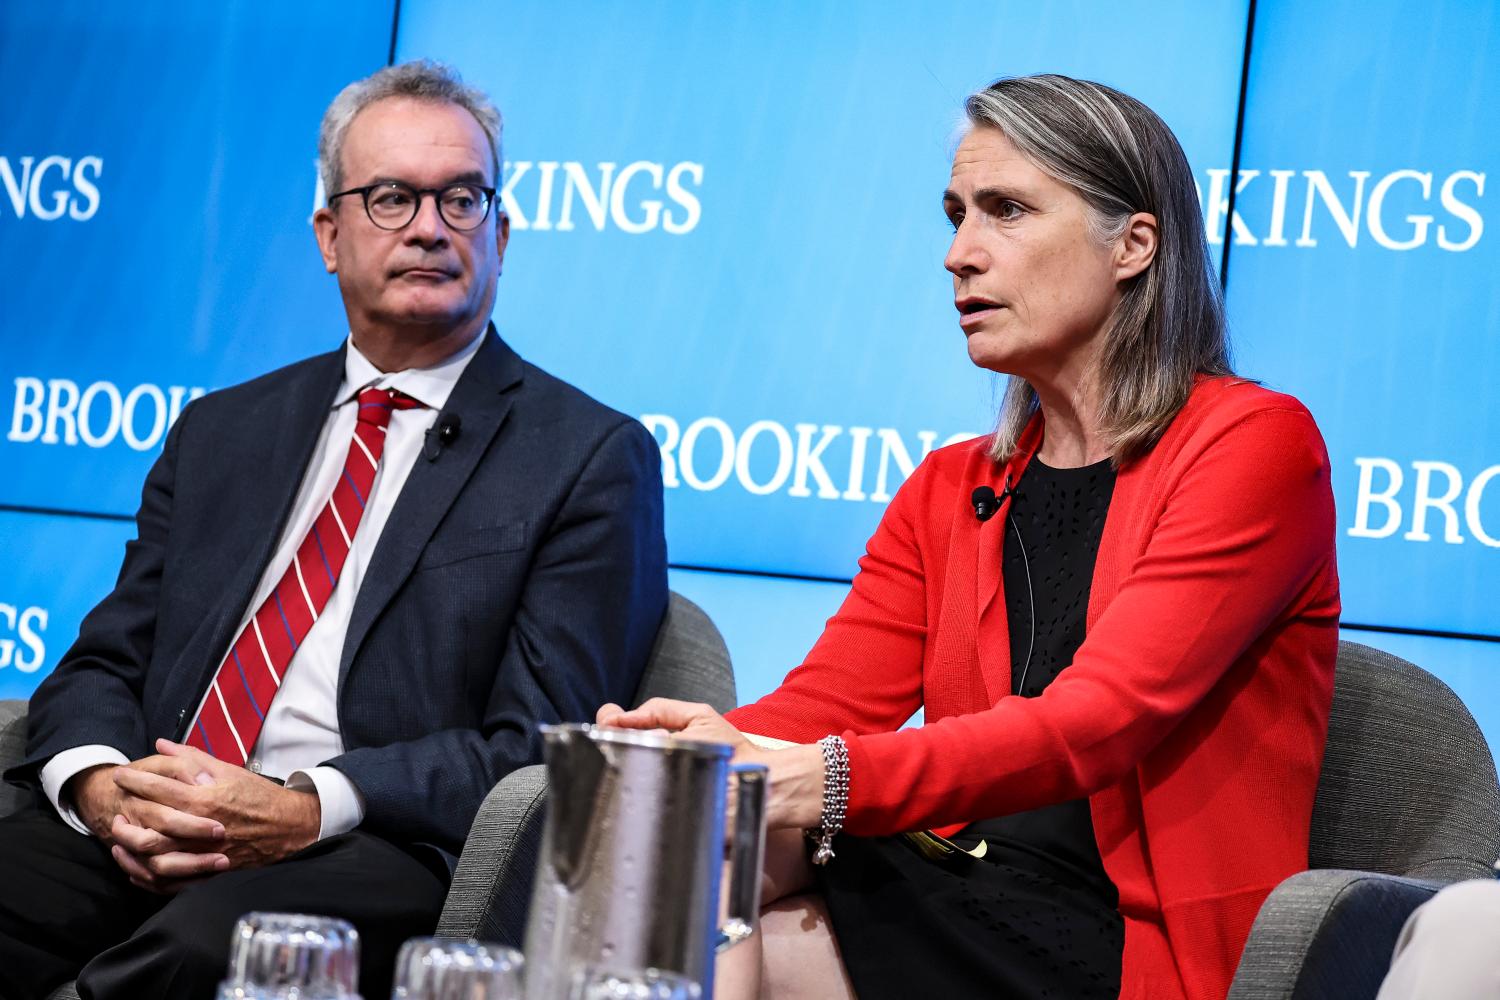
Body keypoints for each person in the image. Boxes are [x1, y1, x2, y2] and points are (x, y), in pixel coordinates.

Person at [600, 74, 1339, 1000]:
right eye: (956, 214)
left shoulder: (1253, 447)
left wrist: (824, 780)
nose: (960, 254)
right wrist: (703, 752)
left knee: (735, 902)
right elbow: (828, 701)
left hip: (1121, 939)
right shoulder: (954, 485)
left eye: (1006, 211)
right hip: (961, 876)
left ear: (1134, 245)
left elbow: (1095, 724)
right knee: (685, 829)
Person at [0, 60, 667, 1000]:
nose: (431, 227)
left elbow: (545, 747)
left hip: (370, 843)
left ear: (504, 235)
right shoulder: (224, 430)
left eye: (463, 199)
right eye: (392, 197)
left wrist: (305, 804)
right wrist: (105, 789)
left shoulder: (589, 455)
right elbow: (107, 660)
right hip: (156, 816)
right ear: (329, 234)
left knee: (209, 952)